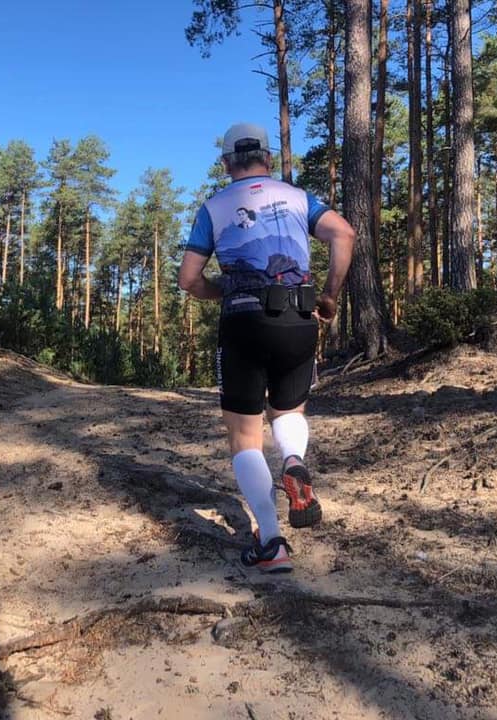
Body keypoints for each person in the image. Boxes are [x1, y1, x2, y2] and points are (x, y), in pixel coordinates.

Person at [178, 122, 354, 574]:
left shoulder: (214, 207)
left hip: (244, 321)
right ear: (269, 160)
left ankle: (271, 542)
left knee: (245, 437)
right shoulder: (298, 198)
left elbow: (188, 279)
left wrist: (222, 292)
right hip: (299, 319)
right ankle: (293, 460)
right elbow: (344, 234)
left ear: (226, 164)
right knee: (289, 413)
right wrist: (329, 295)